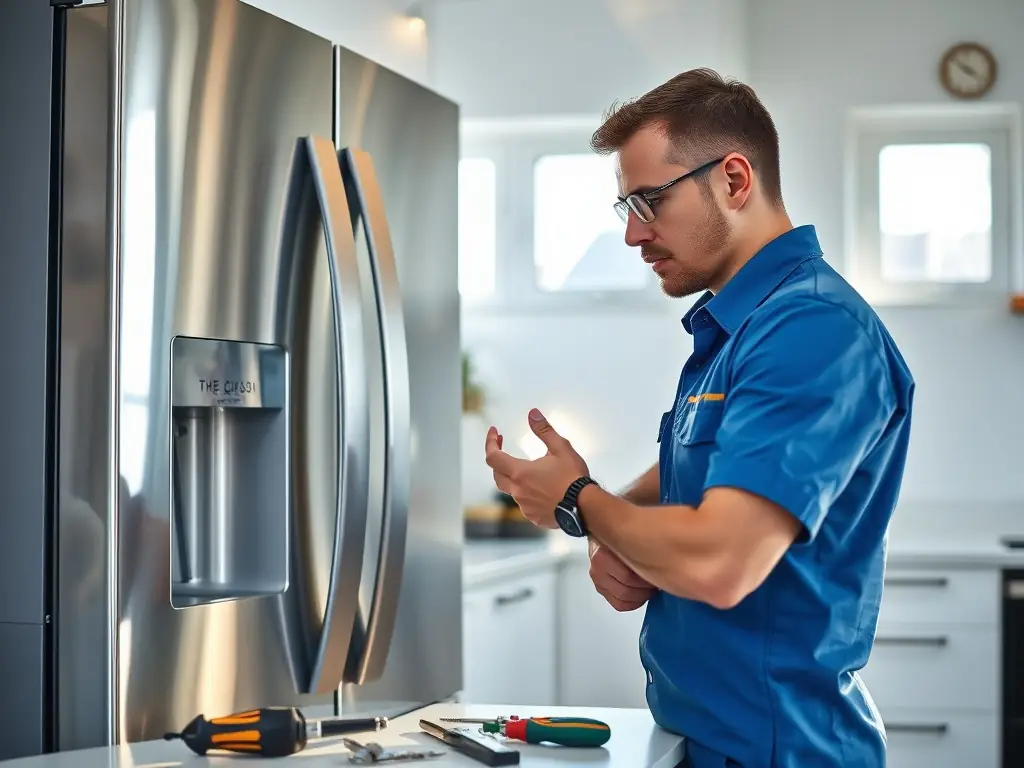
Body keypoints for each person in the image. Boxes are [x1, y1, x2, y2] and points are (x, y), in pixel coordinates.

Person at [483, 68, 915, 768]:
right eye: (625, 206)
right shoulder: (741, 328)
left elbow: (721, 562)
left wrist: (578, 500)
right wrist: (611, 520)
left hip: (779, 751)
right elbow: (708, 460)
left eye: (649, 201)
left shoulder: (810, 327)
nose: (632, 234)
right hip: (710, 740)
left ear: (735, 180)